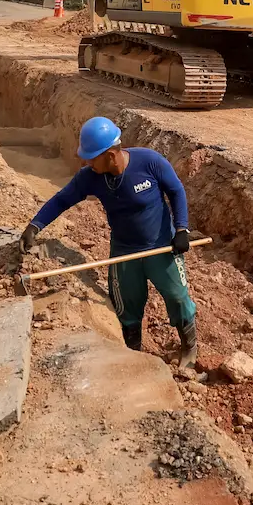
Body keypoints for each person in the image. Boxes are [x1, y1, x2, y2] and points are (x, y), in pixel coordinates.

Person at [21, 118, 198, 369]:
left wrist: (181, 228)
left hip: (160, 246)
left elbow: (176, 190)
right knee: (127, 306)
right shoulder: (90, 177)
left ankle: (189, 348)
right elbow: (62, 200)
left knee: (178, 298)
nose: (87, 163)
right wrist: (35, 225)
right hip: (124, 250)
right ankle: (132, 354)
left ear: (112, 155)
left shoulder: (149, 162)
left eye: (92, 158)